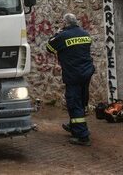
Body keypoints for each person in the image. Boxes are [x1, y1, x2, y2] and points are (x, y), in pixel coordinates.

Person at [46, 13, 95, 146]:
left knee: (74, 102)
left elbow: (49, 48)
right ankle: (74, 126)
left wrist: (57, 34)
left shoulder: (63, 36)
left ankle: (82, 136)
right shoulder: (85, 34)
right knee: (82, 99)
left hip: (73, 74)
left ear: (65, 23)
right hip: (86, 72)